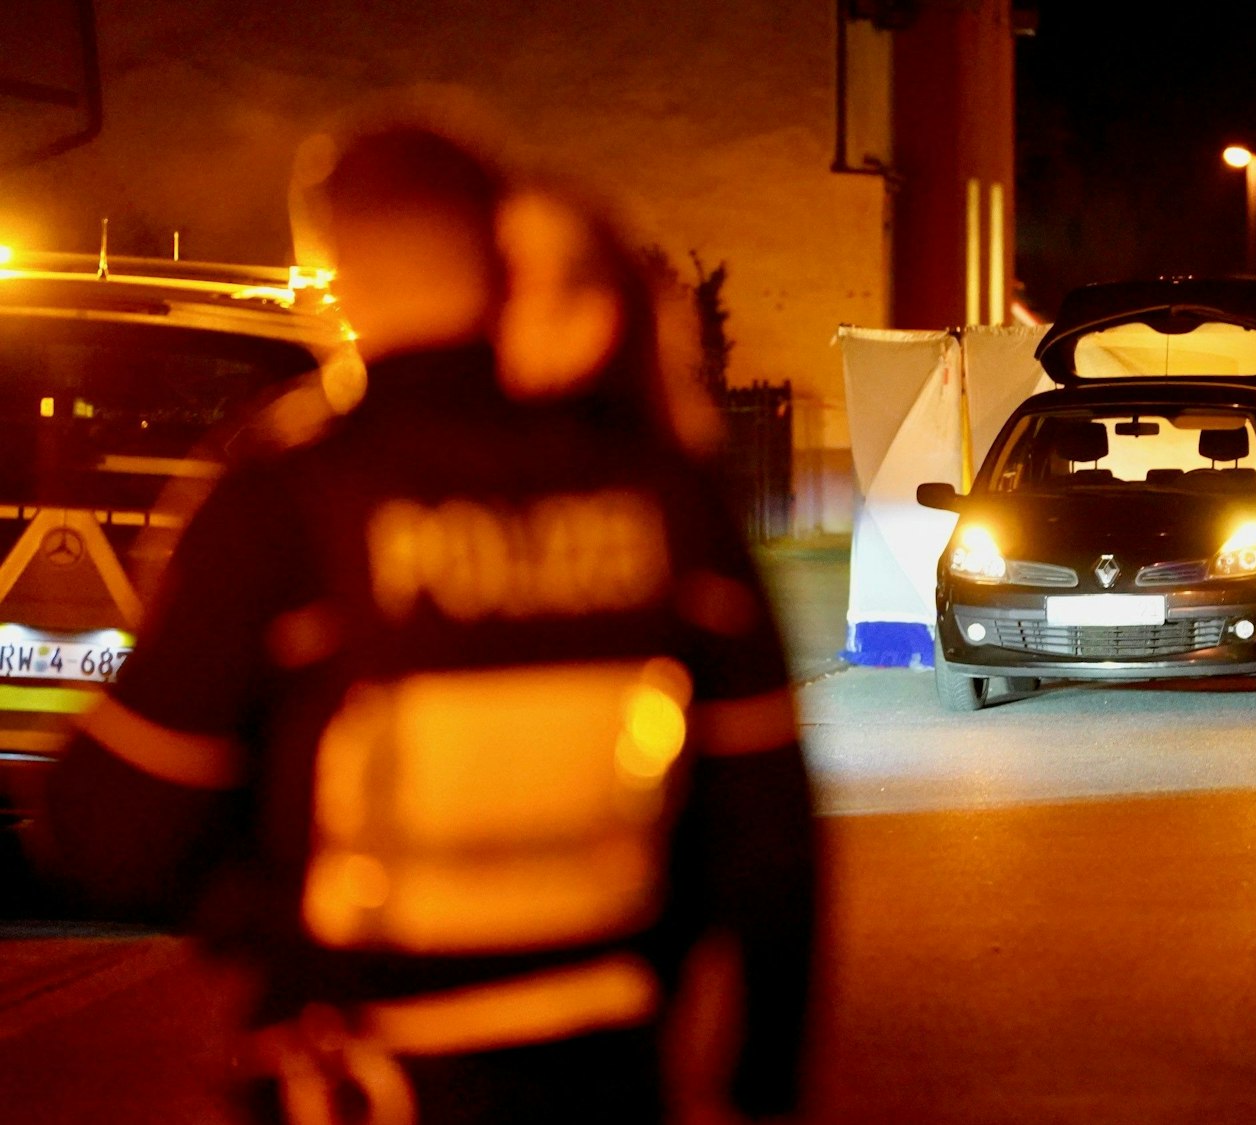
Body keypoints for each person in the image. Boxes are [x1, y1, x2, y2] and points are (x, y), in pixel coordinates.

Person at [43, 125, 816, 1124]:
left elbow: (112, 834)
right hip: (606, 1076)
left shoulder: (286, 499)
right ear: (499, 257)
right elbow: (772, 843)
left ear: (333, 268)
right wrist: (757, 1087)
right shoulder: (667, 497)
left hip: (364, 1076)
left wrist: (269, 903)